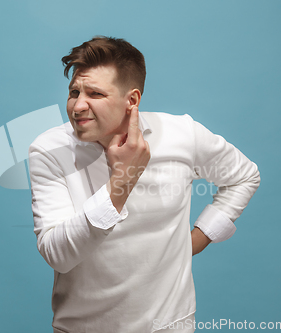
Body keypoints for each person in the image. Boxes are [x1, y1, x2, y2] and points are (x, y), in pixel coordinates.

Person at [28, 36, 260, 333]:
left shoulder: (181, 134)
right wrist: (122, 182)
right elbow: (57, 255)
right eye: (74, 92)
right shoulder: (48, 149)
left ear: (132, 100)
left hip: (169, 325)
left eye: (95, 94)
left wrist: (198, 240)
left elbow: (244, 176)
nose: (78, 106)